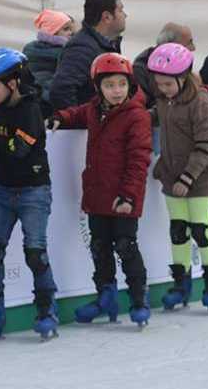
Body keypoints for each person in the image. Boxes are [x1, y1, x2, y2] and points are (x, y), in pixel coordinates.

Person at [47, 53, 152, 327]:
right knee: (100, 246)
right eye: (109, 85)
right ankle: (106, 295)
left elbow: (139, 158)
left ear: (130, 84)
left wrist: (128, 195)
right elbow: (77, 113)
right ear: (98, 88)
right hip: (97, 193)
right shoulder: (94, 109)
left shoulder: (137, 116)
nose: (116, 91)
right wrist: (60, 117)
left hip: (123, 196)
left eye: (121, 84)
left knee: (126, 246)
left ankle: (139, 298)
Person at [0, 48, 59, 341]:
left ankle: (47, 310)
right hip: (2, 191)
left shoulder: (30, 111)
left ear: (13, 83)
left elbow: (17, 150)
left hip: (34, 190)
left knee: (35, 253)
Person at [145, 43, 208, 313]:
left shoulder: (200, 101)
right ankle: (181, 284)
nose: (163, 89)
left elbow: (206, 144)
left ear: (183, 77)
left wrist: (188, 178)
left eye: (167, 84)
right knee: (178, 230)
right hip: (172, 175)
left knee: (201, 229)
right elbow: (161, 118)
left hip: (202, 177)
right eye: (159, 84)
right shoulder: (164, 99)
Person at [49, 0, 126, 110]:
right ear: (107, 17)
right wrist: (80, 122)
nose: (125, 15)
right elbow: (61, 90)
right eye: (121, 10)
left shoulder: (105, 45)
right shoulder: (82, 48)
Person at [22, 9, 76, 113]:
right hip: (51, 100)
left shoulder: (29, 48)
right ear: (53, 31)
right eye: (66, 29)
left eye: (71, 30)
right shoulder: (64, 52)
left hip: (33, 97)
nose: (70, 33)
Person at [133, 22, 195, 107]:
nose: (193, 48)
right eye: (189, 43)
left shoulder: (200, 98)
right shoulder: (141, 68)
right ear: (169, 45)